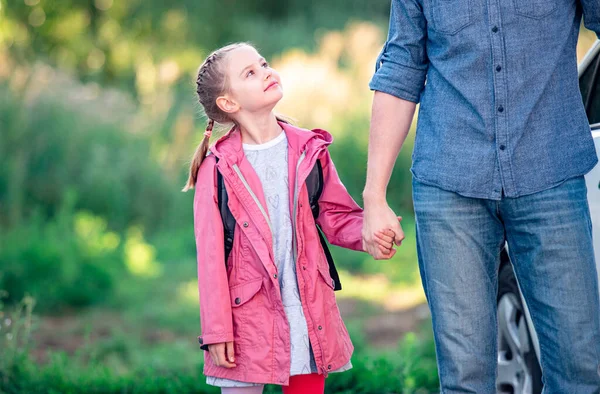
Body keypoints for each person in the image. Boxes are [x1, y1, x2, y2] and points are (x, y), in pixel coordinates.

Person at [361, 1, 600, 393]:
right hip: (450, 184)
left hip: (551, 174)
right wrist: (374, 196)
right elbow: (401, 66)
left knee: (579, 371)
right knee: (465, 380)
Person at [183, 43, 397, 394]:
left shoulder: (308, 150)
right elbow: (210, 259)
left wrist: (370, 233)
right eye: (250, 73)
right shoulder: (217, 168)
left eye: (263, 64)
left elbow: (336, 215)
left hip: (306, 307)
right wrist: (218, 330)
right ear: (228, 103)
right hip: (245, 319)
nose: (266, 71)